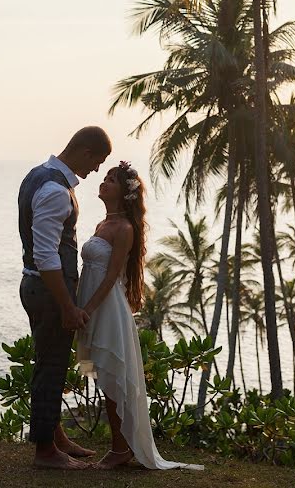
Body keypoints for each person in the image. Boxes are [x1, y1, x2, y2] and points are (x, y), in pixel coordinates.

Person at [76, 161, 204, 471]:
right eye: (104, 178)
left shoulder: (124, 228)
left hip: (106, 308)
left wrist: (88, 309)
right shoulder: (102, 225)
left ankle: (121, 450)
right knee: (104, 379)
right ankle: (120, 447)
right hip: (90, 305)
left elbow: (110, 278)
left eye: (111, 180)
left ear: (124, 192)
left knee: (112, 379)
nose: (104, 183)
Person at [17, 126, 110, 470]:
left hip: (36, 285)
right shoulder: (56, 190)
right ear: (85, 151)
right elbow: (47, 256)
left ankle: (55, 436)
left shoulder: (37, 176)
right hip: (49, 289)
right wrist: (68, 305)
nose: (96, 170)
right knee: (52, 366)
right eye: (97, 161)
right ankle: (45, 452)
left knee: (48, 360)